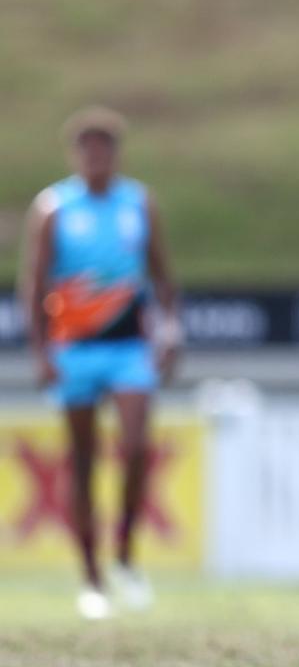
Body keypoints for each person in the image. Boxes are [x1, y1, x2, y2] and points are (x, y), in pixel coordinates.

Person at [19, 107, 182, 620]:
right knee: (83, 461)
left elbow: (162, 275)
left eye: (104, 148)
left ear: (115, 154)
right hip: (75, 349)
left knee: (134, 447)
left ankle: (128, 557)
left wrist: (170, 332)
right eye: (87, 148)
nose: (96, 157)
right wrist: (42, 351)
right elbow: (35, 282)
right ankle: (91, 579)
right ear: (76, 156)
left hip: (129, 347)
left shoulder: (137, 204)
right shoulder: (54, 207)